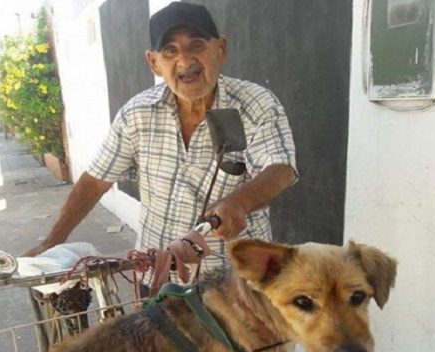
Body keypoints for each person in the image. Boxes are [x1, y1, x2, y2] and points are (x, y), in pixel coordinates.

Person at [22, 2, 298, 281]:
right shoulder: (136, 113)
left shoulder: (256, 104)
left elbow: (280, 168)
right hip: (158, 275)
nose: (186, 61)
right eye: (170, 51)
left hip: (234, 284)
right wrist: (51, 243)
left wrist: (240, 202)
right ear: (154, 62)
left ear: (221, 49)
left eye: (197, 45)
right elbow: (95, 181)